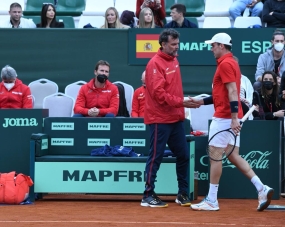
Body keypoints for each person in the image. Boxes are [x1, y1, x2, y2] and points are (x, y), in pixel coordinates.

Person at [190, 33, 274, 211]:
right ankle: (262, 188)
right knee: (233, 155)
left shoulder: (226, 64)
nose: (211, 48)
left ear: (221, 45)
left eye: (213, 45)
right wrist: (201, 101)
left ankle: (212, 200)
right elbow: (221, 93)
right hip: (229, 116)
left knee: (214, 156)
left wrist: (234, 117)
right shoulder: (230, 63)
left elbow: (233, 92)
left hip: (225, 117)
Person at [141, 28, 200, 208]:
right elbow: (159, 94)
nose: (176, 47)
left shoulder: (174, 59)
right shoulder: (154, 64)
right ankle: (148, 195)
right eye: (173, 44)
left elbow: (172, 91)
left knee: (183, 155)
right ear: (163, 44)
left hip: (175, 118)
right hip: (159, 119)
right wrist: (182, 102)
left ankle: (182, 193)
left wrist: (181, 104)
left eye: (177, 43)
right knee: (156, 156)